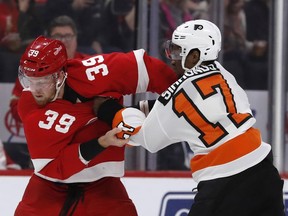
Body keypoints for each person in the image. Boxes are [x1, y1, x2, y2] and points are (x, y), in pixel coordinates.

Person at [95, 19, 285, 216]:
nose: (172, 58)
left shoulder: (178, 93)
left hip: (224, 182)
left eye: (178, 51)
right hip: (263, 172)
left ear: (194, 56)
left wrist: (107, 110)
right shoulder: (224, 74)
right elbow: (181, 109)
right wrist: (142, 109)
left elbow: (145, 138)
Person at [14, 35, 177, 215]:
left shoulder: (91, 73)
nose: (34, 89)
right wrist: (103, 139)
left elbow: (146, 68)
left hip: (103, 188)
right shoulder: (29, 107)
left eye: (42, 81)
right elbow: (56, 168)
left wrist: (183, 99)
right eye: (30, 80)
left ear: (60, 75)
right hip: (46, 193)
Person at [9, 15, 89, 169]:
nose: (64, 41)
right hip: (42, 146)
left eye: (68, 36)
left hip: (83, 147)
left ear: (76, 39)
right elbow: (15, 106)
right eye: (58, 36)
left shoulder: (87, 66)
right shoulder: (33, 70)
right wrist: (44, 114)